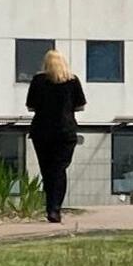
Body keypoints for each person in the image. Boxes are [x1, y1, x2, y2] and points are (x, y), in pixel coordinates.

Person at [22, 48, 87, 222]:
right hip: (65, 131)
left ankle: (50, 207)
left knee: (47, 170)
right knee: (59, 170)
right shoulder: (72, 81)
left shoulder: (38, 80)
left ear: (46, 64)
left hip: (42, 131)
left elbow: (31, 106)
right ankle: (55, 209)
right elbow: (80, 106)